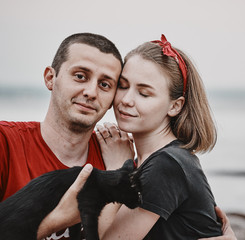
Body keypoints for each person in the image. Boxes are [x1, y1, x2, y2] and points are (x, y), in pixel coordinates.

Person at [0, 32, 236, 240]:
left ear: (175, 105)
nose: (92, 92)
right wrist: (58, 219)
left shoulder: (131, 164)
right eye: (80, 76)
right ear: (50, 78)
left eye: (106, 84)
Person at [94, 34, 227, 239]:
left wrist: (117, 169)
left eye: (144, 93)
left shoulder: (168, 165)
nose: (126, 100)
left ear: (175, 106)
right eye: (123, 86)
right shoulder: (151, 161)